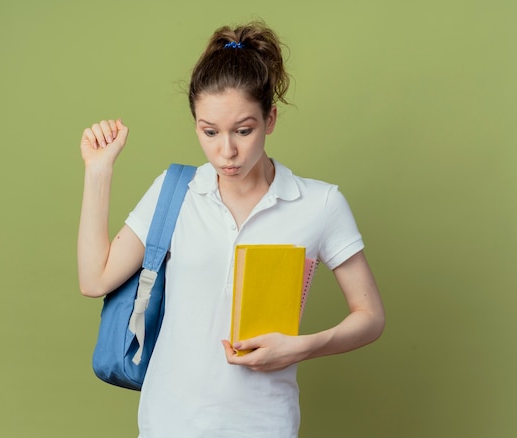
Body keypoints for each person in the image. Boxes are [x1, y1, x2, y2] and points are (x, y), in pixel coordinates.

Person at [77, 21, 385, 438]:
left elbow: (370, 317)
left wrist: (304, 346)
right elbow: (95, 279)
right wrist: (98, 173)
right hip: (168, 423)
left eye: (244, 130)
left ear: (270, 119)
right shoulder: (175, 193)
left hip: (265, 423)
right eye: (210, 132)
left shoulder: (320, 203)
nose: (227, 151)